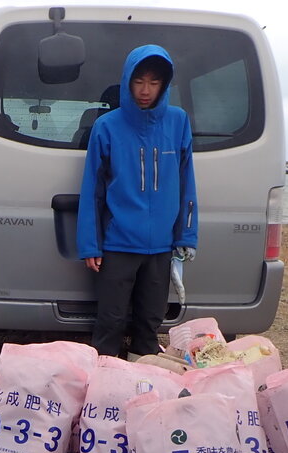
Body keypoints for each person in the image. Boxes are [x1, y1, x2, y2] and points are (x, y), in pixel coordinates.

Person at [76, 44, 198, 357]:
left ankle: (147, 390)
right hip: (118, 244)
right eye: (139, 82)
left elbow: (187, 183)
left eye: (154, 83)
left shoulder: (177, 121)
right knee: (111, 321)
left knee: (150, 323)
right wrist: (91, 244)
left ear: (164, 85)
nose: (145, 90)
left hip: (161, 247)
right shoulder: (108, 126)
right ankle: (103, 389)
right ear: (128, 82)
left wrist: (186, 235)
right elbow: (92, 189)